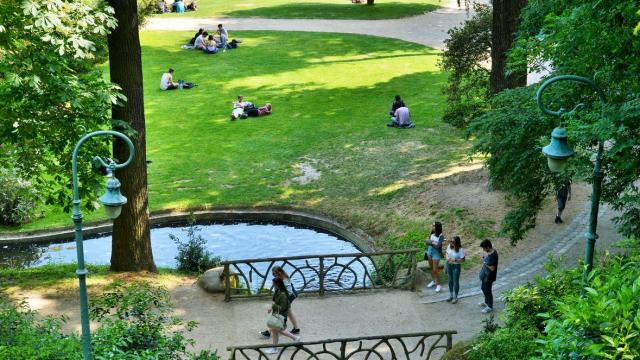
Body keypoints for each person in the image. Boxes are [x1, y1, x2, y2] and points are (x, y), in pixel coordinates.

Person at [263, 277, 301, 354]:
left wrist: (273, 306)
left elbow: (283, 308)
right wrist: (271, 307)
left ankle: (295, 338)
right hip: (277, 313)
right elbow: (275, 301)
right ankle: (275, 348)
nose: (272, 285)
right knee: (275, 331)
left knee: (280, 330)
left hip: (281, 315)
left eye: (273, 283)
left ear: (277, 284)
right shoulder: (277, 291)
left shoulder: (283, 294)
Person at [261, 266, 300, 338]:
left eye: (275, 274)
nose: (274, 275)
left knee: (277, 313)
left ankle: (269, 331)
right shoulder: (280, 278)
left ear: (280, 272)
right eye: (273, 274)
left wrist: (278, 302)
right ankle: (296, 328)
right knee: (289, 313)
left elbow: (288, 292)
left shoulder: (284, 280)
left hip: (287, 298)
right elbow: (276, 291)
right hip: (286, 298)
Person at [478, 239, 498, 313]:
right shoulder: (491, 251)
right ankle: (486, 302)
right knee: (483, 288)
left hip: (489, 276)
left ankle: (490, 306)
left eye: (484, 248)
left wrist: (484, 262)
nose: (483, 250)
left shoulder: (493, 255)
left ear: (488, 247)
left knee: (488, 291)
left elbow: (492, 268)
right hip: (485, 275)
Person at [425, 221, 444, 293]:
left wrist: (431, 242)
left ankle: (439, 285)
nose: (432, 227)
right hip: (429, 252)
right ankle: (433, 281)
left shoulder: (441, 236)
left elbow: (438, 246)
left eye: (433, 226)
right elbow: (426, 242)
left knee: (435, 269)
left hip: (436, 253)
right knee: (431, 268)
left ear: (437, 227)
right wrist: (432, 242)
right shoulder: (431, 233)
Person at [445, 236, 465, 304]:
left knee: (455, 281)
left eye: (453, 242)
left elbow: (463, 259)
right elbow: (446, 253)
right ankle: (451, 295)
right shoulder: (449, 246)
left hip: (456, 266)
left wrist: (456, 260)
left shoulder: (460, 249)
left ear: (457, 242)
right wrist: (448, 258)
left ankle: (455, 297)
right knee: (450, 280)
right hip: (449, 265)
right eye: (451, 241)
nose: (452, 243)